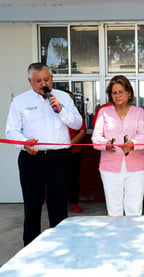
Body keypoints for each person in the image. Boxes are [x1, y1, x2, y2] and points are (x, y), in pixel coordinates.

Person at [5, 62, 82, 246]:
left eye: (46, 79)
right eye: (38, 81)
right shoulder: (20, 102)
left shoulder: (63, 97)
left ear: (52, 78)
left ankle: (60, 246)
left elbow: (77, 124)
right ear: (30, 81)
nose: (43, 84)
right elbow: (11, 131)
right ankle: (30, 249)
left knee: (59, 206)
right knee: (32, 206)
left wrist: (61, 111)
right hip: (32, 159)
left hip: (59, 159)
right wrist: (24, 144)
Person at [92, 75, 144, 216]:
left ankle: (132, 238)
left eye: (120, 92)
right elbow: (96, 137)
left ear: (129, 93)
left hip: (136, 167)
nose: (117, 96)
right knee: (114, 211)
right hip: (110, 167)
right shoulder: (103, 112)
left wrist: (133, 144)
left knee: (134, 210)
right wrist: (106, 145)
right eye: (114, 93)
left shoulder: (139, 112)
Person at [66, 91, 87, 213]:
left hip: (74, 152)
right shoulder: (54, 114)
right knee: (58, 180)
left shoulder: (77, 115)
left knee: (74, 178)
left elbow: (82, 132)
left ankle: (74, 203)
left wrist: (68, 144)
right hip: (57, 153)